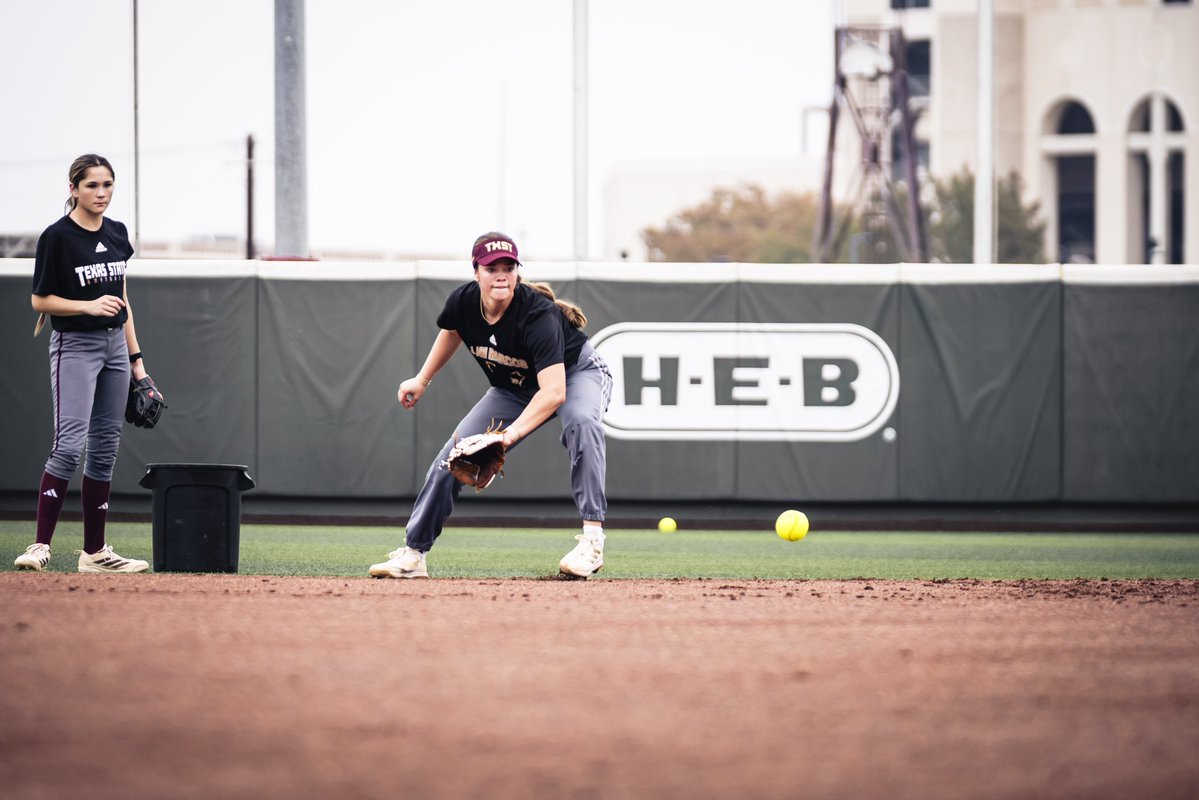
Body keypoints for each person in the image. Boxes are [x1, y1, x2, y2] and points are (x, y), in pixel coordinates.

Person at [370, 232, 613, 579]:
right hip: (512, 388)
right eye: (491, 267)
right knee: (452, 456)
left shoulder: (537, 314)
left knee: (582, 423)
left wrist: (506, 437)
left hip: (575, 375)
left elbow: (554, 393)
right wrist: (421, 379)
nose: (500, 274)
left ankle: (591, 542)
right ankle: (413, 554)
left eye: (508, 266)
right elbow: (452, 331)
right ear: (476, 272)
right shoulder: (464, 301)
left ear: (517, 271)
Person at [13, 154, 156, 573]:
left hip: (115, 349)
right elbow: (40, 300)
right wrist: (88, 306)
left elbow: (122, 300)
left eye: (108, 185)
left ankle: (95, 552)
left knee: (105, 449)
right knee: (70, 445)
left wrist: (138, 364)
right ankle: (40, 546)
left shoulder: (116, 232)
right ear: (73, 189)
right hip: (75, 345)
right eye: (92, 185)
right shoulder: (57, 237)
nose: (101, 193)